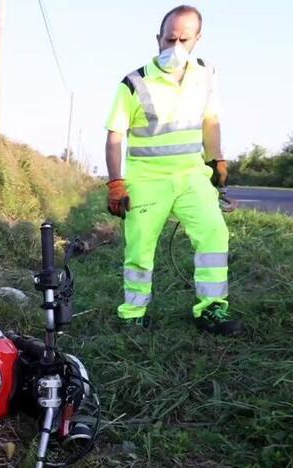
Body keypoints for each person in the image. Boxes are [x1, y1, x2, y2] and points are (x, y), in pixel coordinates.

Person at [104, 4, 243, 335]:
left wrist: (216, 158)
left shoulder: (206, 75)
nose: (175, 47)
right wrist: (115, 183)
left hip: (192, 177)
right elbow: (114, 138)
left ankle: (211, 309)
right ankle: (133, 314)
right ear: (158, 39)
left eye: (184, 39)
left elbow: (211, 120)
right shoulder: (133, 84)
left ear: (197, 39)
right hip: (147, 180)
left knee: (214, 233)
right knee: (140, 248)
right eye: (169, 39)